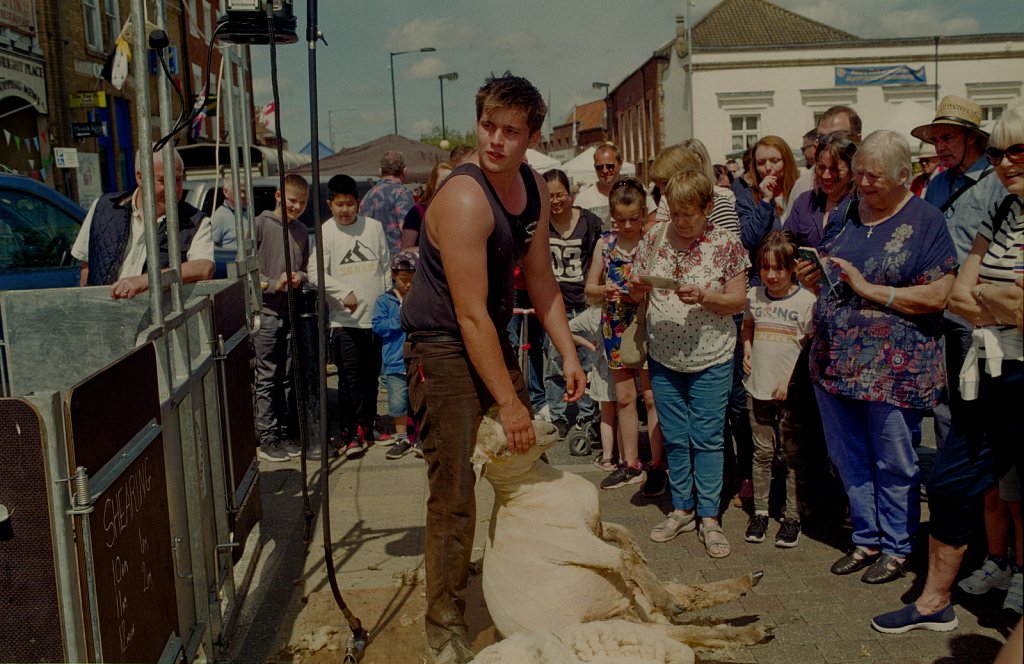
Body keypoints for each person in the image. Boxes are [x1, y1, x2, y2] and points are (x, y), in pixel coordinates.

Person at [400, 73, 585, 664]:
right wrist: (509, 403)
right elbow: (470, 314)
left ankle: (534, 587)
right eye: (488, 126)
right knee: (454, 492)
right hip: (443, 343)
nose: (496, 140)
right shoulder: (461, 196)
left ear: (532, 136)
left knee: (525, 469)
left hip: (486, 335)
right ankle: (445, 622)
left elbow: (540, 277)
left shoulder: (529, 183)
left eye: (510, 131)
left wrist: (568, 350)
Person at [872, 106, 1024, 633]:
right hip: (987, 366)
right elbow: (958, 294)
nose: (1007, 163)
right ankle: (935, 601)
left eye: (1018, 151)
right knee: (952, 481)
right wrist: (999, 298)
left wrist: (986, 296)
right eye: (1002, 153)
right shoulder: (1001, 212)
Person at [800, 130, 956, 585]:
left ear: (904, 176)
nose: (864, 183)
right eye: (860, 173)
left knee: (893, 458)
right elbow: (836, 273)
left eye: (875, 176)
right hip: (835, 361)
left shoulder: (926, 220)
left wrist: (871, 290)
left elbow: (940, 293)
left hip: (894, 367)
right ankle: (866, 537)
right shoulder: (849, 210)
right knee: (848, 455)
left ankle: (898, 546)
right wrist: (816, 277)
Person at [630, 170, 748, 558]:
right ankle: (682, 508)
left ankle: (710, 517)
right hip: (664, 356)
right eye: (675, 213)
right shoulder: (654, 236)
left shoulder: (726, 243)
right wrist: (638, 286)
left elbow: (738, 302)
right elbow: (633, 287)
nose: (681, 222)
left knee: (708, 438)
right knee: (676, 437)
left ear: (708, 208)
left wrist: (706, 296)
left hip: (710, 355)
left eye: (690, 215)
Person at [584, 178, 662, 493]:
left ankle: (657, 465)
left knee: (651, 397)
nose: (628, 225)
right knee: (625, 398)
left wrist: (642, 292)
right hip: (615, 325)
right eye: (621, 219)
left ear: (644, 213)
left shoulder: (653, 241)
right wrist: (606, 290)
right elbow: (588, 289)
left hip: (647, 324)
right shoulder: (605, 244)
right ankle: (630, 463)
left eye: (634, 218)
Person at [741, 231, 815, 548]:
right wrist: (746, 349)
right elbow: (747, 325)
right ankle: (760, 512)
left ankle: (793, 516)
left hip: (790, 393)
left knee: (793, 456)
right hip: (756, 388)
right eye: (764, 267)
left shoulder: (807, 301)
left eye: (779, 268)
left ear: (792, 268)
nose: (771, 275)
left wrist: (790, 380)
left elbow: (807, 347)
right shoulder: (754, 296)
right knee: (761, 453)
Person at [309, 174, 390, 458]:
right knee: (350, 378)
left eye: (350, 204)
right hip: (344, 322)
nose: (345, 210)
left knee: (372, 377)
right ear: (329, 203)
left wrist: (388, 302)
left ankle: (369, 424)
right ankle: (351, 430)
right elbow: (315, 272)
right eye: (339, 204)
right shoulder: (326, 232)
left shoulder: (374, 228)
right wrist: (343, 292)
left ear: (358, 202)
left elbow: (385, 266)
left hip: (375, 319)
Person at [72, 148, 214, 298]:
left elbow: (204, 267)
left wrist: (146, 281)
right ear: (140, 177)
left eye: (178, 179)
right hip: (106, 315)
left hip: (159, 318)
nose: (173, 188)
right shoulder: (103, 207)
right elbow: (87, 267)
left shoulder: (195, 221)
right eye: (163, 180)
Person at [253, 173, 309, 462]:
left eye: (302, 202)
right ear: (278, 196)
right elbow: (246, 273)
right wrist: (273, 283)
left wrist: (298, 276)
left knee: (288, 374)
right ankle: (267, 436)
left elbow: (306, 268)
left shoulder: (300, 231)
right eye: (291, 201)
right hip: (266, 312)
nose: (296, 207)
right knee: (267, 375)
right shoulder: (261, 225)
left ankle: (285, 430)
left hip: (291, 311)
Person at [543, 168, 602, 438]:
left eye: (560, 195)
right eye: (549, 196)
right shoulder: (540, 224)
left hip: (584, 302)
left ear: (570, 194)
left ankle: (588, 414)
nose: (555, 201)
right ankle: (558, 416)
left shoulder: (589, 222)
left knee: (589, 361)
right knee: (555, 361)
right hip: (555, 305)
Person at [372, 249, 422, 460]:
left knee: (419, 399)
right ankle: (401, 437)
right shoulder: (384, 301)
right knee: (397, 401)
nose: (408, 285)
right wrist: (401, 320)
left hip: (418, 360)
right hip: (394, 361)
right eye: (403, 280)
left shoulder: (420, 298)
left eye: (411, 280)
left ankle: (420, 436)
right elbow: (378, 326)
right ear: (394, 276)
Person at [783, 105, 863, 222]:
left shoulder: (871, 186)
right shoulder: (804, 186)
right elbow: (787, 236)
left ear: (857, 139)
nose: (827, 143)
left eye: (837, 137)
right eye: (821, 137)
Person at [783, 131, 858, 249]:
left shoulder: (860, 206)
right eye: (821, 167)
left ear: (852, 170)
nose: (826, 176)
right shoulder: (804, 202)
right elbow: (784, 246)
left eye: (835, 169)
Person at [568, 305, 618, 472]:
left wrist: (590, 345)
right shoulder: (625, 307)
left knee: (607, 415)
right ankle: (627, 458)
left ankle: (607, 457)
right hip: (623, 366)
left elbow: (568, 329)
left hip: (603, 369)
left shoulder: (594, 313)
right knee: (626, 413)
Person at [736, 135, 799, 259]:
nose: (768, 168)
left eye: (774, 161)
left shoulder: (800, 191)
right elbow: (749, 241)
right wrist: (765, 201)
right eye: (761, 163)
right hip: (765, 273)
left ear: (786, 161)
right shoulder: (746, 198)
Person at [358, 150, 416, 255]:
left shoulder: (368, 195)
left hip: (371, 256)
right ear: (405, 171)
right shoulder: (401, 193)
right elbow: (408, 228)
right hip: (395, 260)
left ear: (380, 171)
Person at [401, 160, 453, 250]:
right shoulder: (417, 212)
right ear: (433, 184)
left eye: (452, 181)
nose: (447, 186)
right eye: (443, 182)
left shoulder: (460, 212)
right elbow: (406, 249)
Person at [211, 168, 245, 251]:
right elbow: (212, 247)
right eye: (239, 191)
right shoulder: (219, 216)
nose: (243, 195)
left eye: (245, 191)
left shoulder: (248, 212)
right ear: (226, 192)